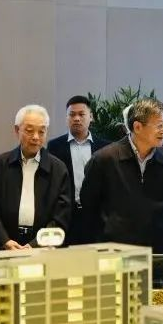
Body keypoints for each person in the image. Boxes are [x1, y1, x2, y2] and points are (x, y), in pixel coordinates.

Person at [81, 99, 163, 287]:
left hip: (157, 253)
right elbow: (89, 205)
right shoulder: (104, 160)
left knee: (154, 301)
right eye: (159, 125)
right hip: (115, 252)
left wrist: (156, 225)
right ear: (137, 127)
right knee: (114, 301)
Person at [0, 105, 72, 250]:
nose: (36, 137)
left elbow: (61, 216)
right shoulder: (0, 165)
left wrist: (35, 245)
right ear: (17, 130)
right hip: (5, 247)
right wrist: (4, 240)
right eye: (29, 130)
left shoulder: (58, 169)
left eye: (41, 131)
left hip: (44, 248)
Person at [47, 95, 110, 244]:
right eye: (72, 114)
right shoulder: (54, 146)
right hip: (66, 216)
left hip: (96, 217)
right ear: (66, 118)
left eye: (81, 114)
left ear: (91, 117)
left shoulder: (105, 147)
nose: (76, 118)